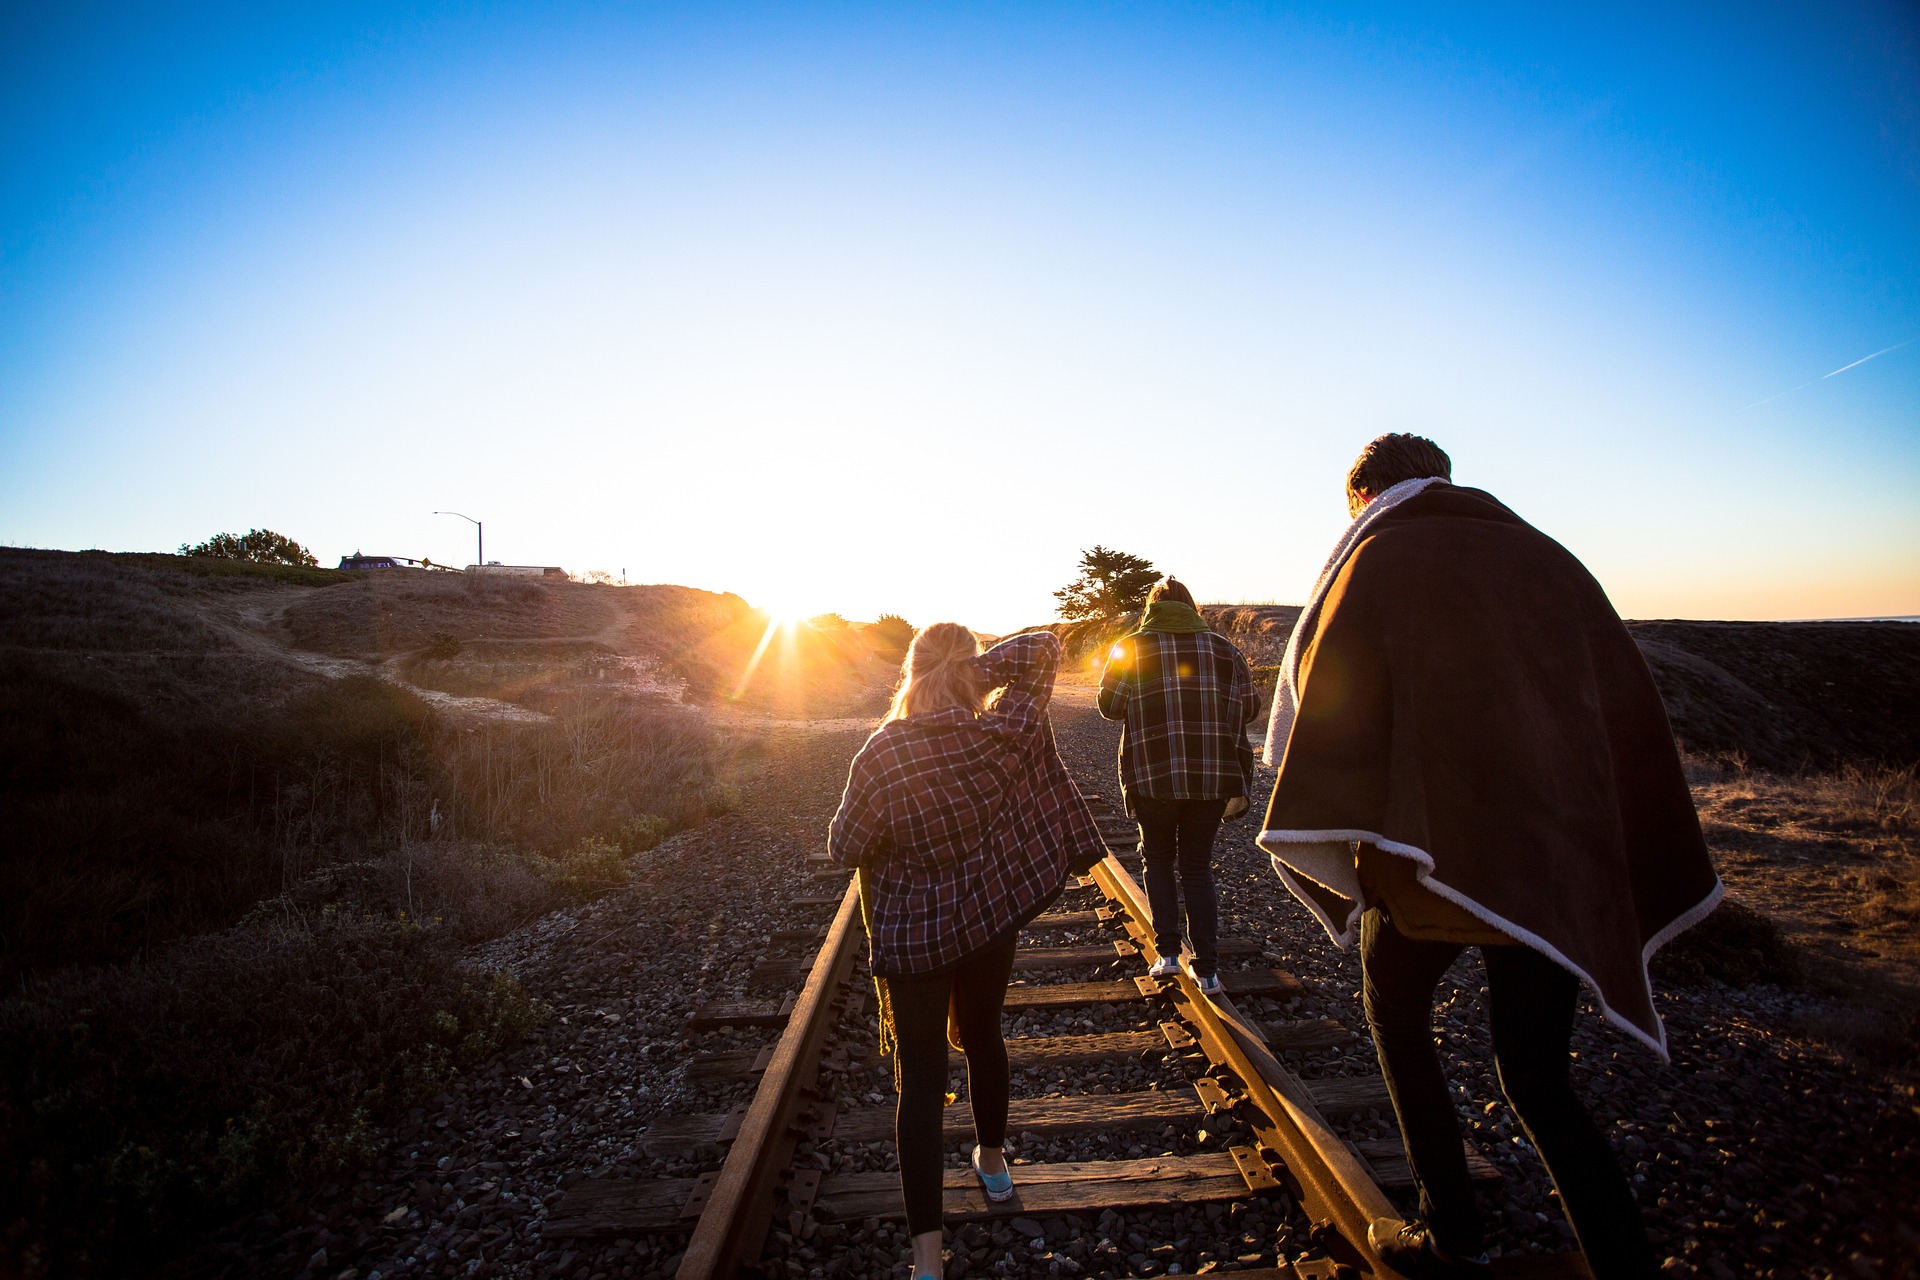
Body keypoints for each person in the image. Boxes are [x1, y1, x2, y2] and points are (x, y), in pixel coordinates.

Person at [1256, 434, 1721, 1280]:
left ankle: (1451, 1235)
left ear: (1364, 497)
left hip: (1419, 867)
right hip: (1546, 867)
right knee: (1538, 1077)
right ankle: (1623, 1261)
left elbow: (1326, 706)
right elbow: (1611, 704)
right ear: (1442, 476)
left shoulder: (1376, 558)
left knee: (1396, 1018)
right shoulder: (1548, 558)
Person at [829, 625, 1104, 1280]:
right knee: (983, 1035)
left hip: (914, 938)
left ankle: (928, 1258)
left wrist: (944, 676)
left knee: (921, 1078)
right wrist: (972, 673)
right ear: (970, 669)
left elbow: (845, 848)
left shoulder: (882, 751)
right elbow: (1041, 648)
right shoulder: (1002, 731)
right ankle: (994, 1162)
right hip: (987, 921)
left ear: (911, 671)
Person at [1097, 576, 1261, 996]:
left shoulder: (1131, 647)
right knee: (1197, 866)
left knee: (1157, 859)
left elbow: (1109, 707)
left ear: (1152, 608)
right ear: (1192, 607)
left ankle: (1168, 955)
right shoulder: (1226, 649)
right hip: (1212, 776)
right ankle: (1207, 971)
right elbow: (1252, 708)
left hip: (1154, 774)